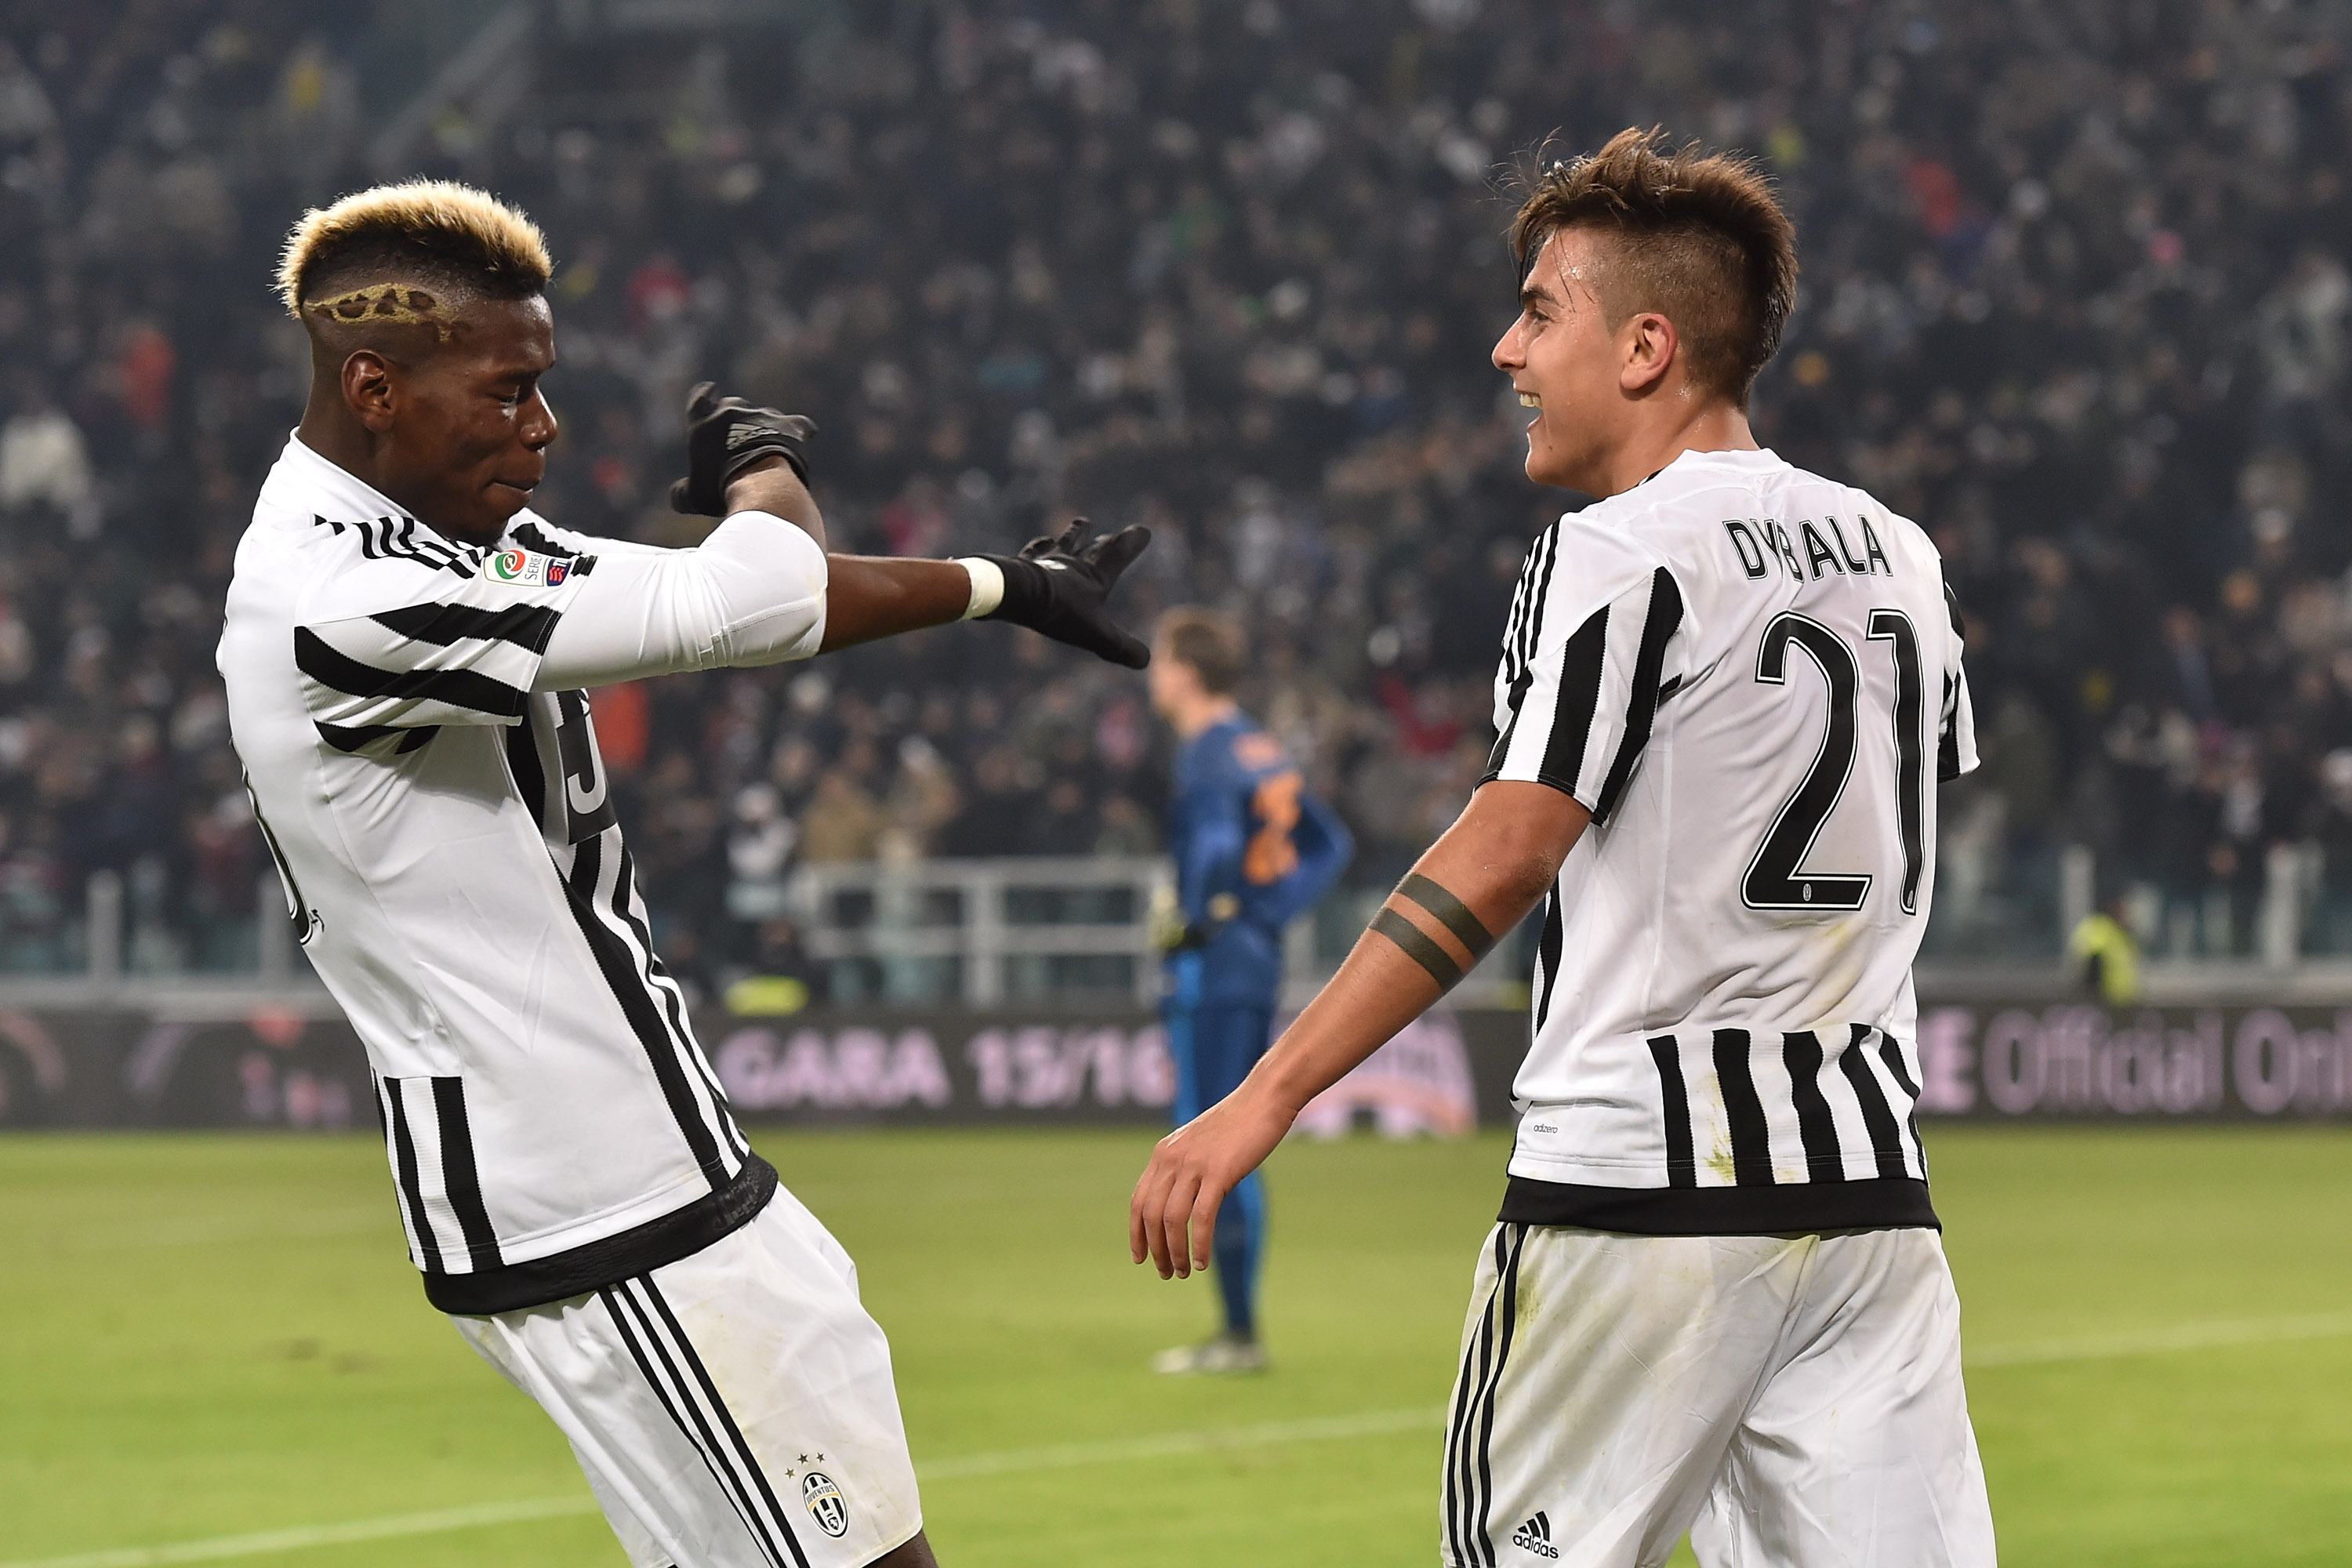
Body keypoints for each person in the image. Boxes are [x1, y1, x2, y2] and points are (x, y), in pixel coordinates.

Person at [220, 180, 1150, 1568]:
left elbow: (752, 606)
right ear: (375, 387)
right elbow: (748, 594)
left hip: (644, 1175)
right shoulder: (335, 596)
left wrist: (1005, 585)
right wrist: (762, 467)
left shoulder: (439, 541)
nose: (543, 427)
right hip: (596, 1196)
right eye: (509, 390)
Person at [1131, 129, 1997, 1566]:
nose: (1504, 349)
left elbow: (1508, 848)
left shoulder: (1614, 552)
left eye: (1541, 311)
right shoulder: (1901, 555)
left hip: (1636, 1201)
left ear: (1647, 346)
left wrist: (1261, 1096)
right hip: (1866, 1208)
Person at [1143, 607, 1352, 1374]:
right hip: (1252, 957)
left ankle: (1237, 1332)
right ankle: (1237, 1327)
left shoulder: (1205, 752)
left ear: (1188, 671)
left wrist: (1197, 919)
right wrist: (1269, 913)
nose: (1153, 674)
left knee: (1215, 1136)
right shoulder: (1261, 747)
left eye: (1162, 659)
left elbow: (1219, 846)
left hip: (1214, 968)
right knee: (1234, 1133)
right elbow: (1330, 842)